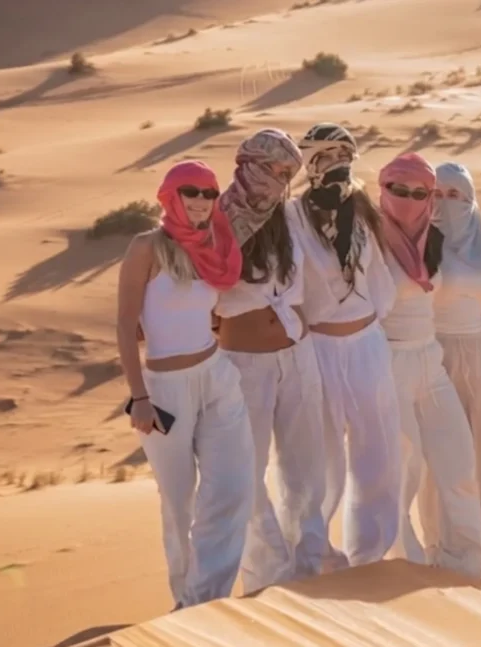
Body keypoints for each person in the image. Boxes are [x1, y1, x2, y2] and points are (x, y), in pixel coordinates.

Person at [116, 160, 255, 609]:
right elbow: (123, 326)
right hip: (164, 390)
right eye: (190, 191)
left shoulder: (215, 245)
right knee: (178, 505)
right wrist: (139, 397)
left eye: (209, 193)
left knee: (233, 488)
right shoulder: (147, 247)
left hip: (216, 377)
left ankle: (206, 600)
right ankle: (185, 601)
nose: (200, 201)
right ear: (170, 196)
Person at [214, 128, 331, 593]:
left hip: (296, 356)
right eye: (270, 169)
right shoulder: (215, 218)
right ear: (246, 165)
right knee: (245, 471)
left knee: (305, 467)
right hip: (244, 366)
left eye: (287, 172)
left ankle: (310, 564)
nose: (278, 180)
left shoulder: (288, 217)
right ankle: (266, 574)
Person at [285, 122, 402, 569]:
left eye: (345, 157)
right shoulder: (292, 216)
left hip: (367, 344)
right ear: (311, 162)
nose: (339, 166)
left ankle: (371, 552)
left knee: (379, 446)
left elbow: (381, 278)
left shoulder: (362, 209)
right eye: (329, 157)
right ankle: (311, 552)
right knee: (319, 455)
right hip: (319, 350)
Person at [377, 153, 481, 579]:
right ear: (383, 190)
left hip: (430, 360)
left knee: (459, 466)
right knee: (404, 472)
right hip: (390, 360)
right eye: (397, 189)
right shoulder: (370, 240)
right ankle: (408, 570)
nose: (407, 199)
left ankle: (466, 567)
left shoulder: (433, 240)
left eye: (419, 192)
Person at [417, 161, 481, 578]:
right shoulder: (420, 241)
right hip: (436, 354)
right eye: (436, 195)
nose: (445, 203)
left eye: (455, 195)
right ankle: (440, 549)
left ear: (470, 199)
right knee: (440, 458)